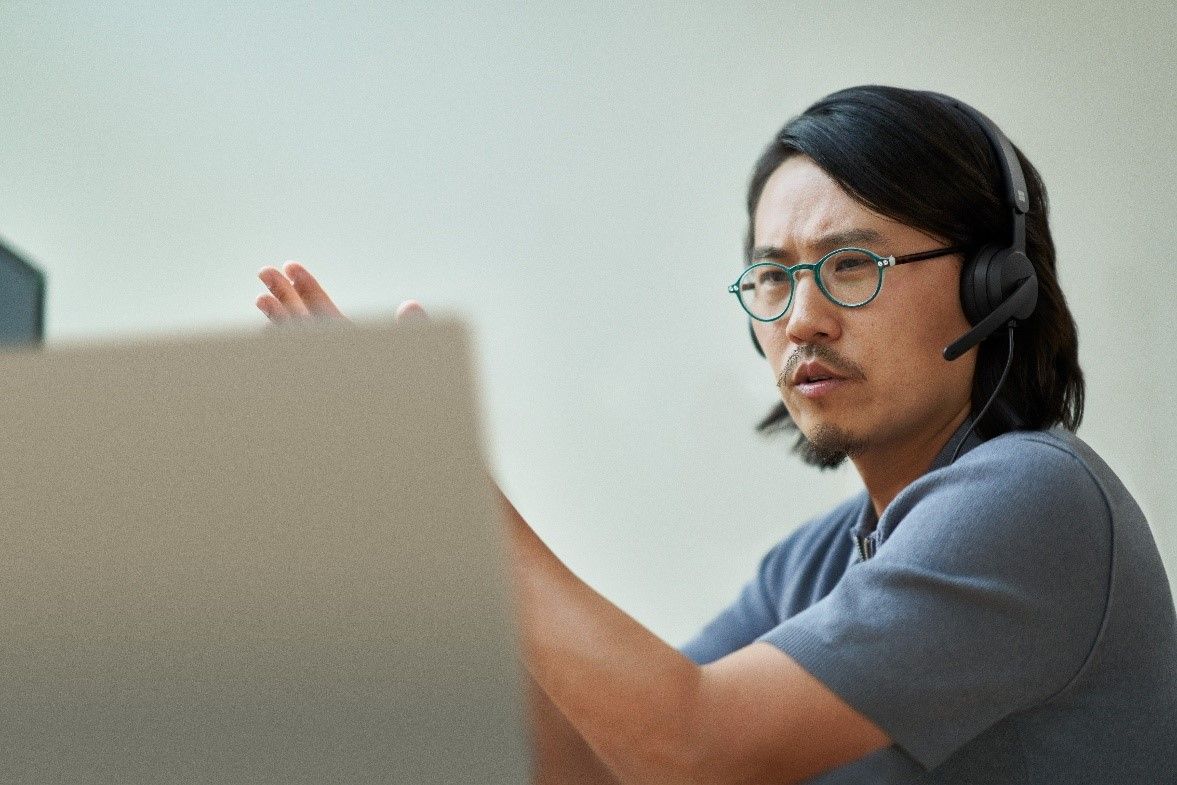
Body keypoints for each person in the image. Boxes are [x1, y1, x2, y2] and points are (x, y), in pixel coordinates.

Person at [254, 85, 1177, 783]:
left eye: (851, 264)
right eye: (772, 278)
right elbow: (597, 764)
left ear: (992, 285)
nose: (801, 319)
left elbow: (693, 750)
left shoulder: (1035, 498)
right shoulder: (811, 564)